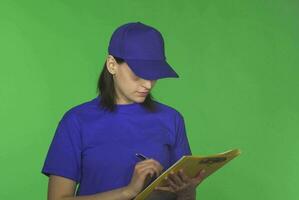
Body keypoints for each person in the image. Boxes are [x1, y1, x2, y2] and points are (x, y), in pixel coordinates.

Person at [41, 22, 206, 200]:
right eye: (138, 75)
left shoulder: (172, 119)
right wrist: (128, 192)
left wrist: (187, 193)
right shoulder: (76, 121)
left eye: (154, 75)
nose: (148, 84)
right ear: (112, 65)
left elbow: (184, 195)